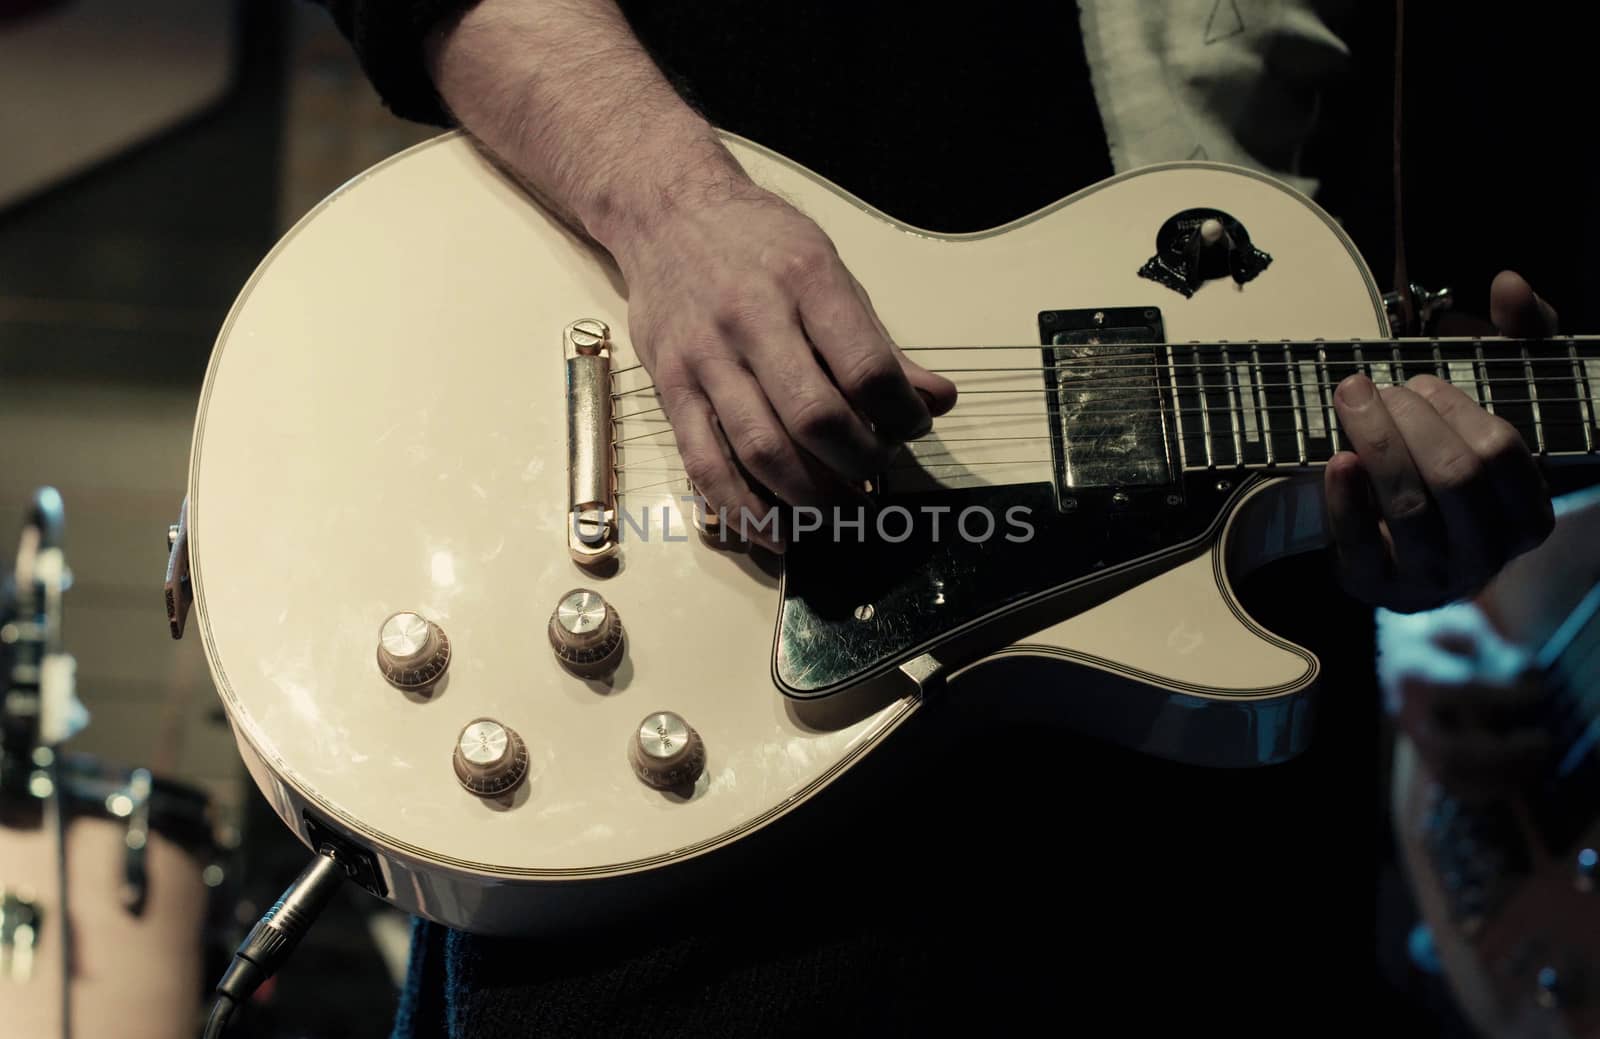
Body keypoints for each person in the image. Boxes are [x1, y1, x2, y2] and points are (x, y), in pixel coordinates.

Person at [299, 2, 1564, 1035]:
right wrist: (672, 207)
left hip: (1205, 858)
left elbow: (1457, 292)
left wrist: (1430, 496)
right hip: (726, 837)